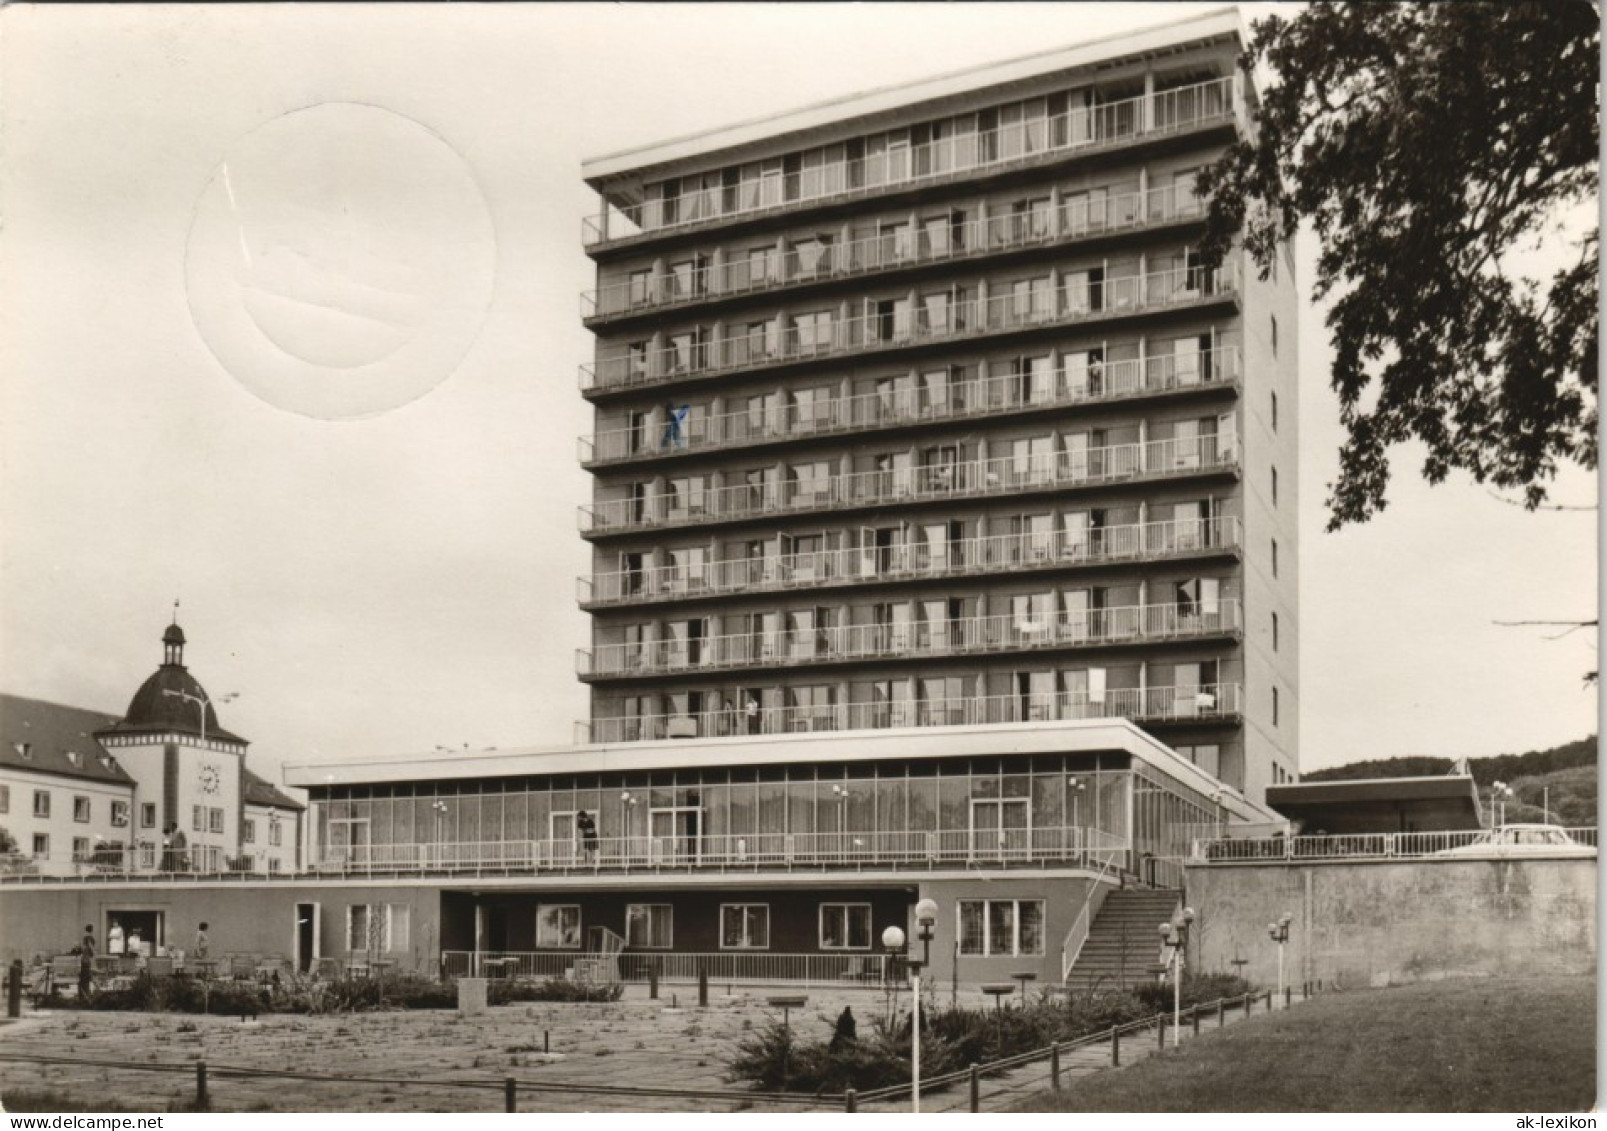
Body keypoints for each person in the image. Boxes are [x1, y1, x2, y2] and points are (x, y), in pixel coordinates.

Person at [78, 924, 95, 998]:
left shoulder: (85, 938)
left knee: (84, 977)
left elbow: (84, 947)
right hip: (86, 959)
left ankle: (84, 993)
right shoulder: (89, 938)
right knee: (86, 977)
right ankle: (86, 993)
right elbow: (90, 947)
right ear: (92, 930)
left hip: (84, 959)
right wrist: (93, 954)